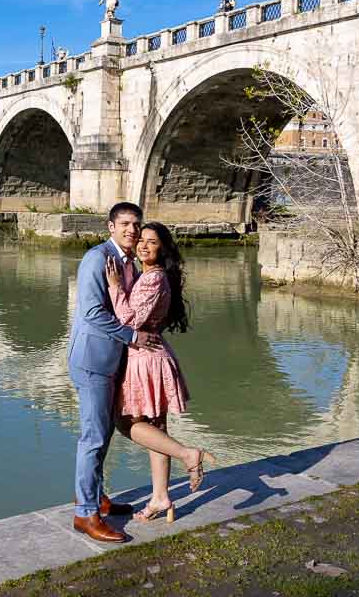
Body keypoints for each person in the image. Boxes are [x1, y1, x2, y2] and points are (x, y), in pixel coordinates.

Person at [107, 221, 216, 523]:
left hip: (144, 359)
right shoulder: (152, 276)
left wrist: (115, 287)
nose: (143, 245)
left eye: (151, 242)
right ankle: (160, 497)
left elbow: (129, 319)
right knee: (156, 428)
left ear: (163, 248)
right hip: (152, 354)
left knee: (126, 423)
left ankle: (187, 454)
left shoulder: (153, 279)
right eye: (141, 240)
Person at [67, 202, 164, 543]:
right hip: (92, 360)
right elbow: (93, 312)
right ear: (110, 227)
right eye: (124, 224)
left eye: (136, 225)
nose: (131, 230)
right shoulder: (97, 259)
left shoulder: (130, 264)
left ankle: (94, 496)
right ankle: (85, 515)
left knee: (104, 434)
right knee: (92, 437)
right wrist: (134, 337)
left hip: (113, 361)